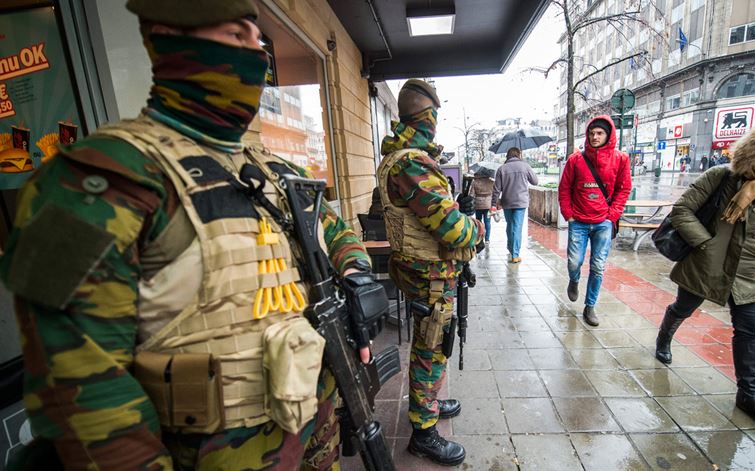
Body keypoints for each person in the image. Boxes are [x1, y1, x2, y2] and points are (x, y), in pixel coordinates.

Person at [0, 1, 379, 468]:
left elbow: (337, 231)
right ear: (170, 38)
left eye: (255, 38)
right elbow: (83, 394)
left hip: (314, 431)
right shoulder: (98, 183)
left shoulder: (277, 171)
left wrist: (358, 278)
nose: (256, 52)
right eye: (234, 37)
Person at [654, 116, 755, 422]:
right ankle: (664, 337)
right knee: (683, 308)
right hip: (706, 263)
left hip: (747, 269)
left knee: (748, 331)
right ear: (754, 146)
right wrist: (704, 243)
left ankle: (749, 394)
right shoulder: (723, 175)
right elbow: (682, 210)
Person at [376, 79, 483, 466]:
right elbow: (451, 228)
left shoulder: (400, 157)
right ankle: (423, 431)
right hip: (431, 275)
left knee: (430, 345)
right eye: (433, 116)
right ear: (427, 118)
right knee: (432, 349)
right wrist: (475, 226)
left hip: (421, 270)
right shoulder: (410, 161)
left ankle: (430, 402)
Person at [559, 116, 632, 326]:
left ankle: (590, 306)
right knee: (574, 262)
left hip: (603, 222)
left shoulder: (620, 159)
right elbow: (564, 189)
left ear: (608, 135)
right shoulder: (576, 160)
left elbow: (623, 189)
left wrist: (613, 215)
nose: (595, 137)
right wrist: (569, 215)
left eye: (599, 133)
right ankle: (574, 280)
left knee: (598, 266)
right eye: (592, 133)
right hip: (579, 221)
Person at [491, 147, 538, 263]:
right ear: (518, 155)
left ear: (508, 156)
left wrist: (493, 204)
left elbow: (496, 189)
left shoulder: (502, 169)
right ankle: (515, 254)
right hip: (521, 202)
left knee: (510, 225)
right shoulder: (525, 166)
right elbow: (535, 181)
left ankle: (511, 248)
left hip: (507, 202)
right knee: (517, 227)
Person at [471, 174, 494, 242]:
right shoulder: (491, 182)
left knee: (478, 221)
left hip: (478, 204)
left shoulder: (475, 182)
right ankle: (487, 239)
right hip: (488, 204)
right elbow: (494, 192)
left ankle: (479, 238)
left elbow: (471, 194)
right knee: (487, 222)